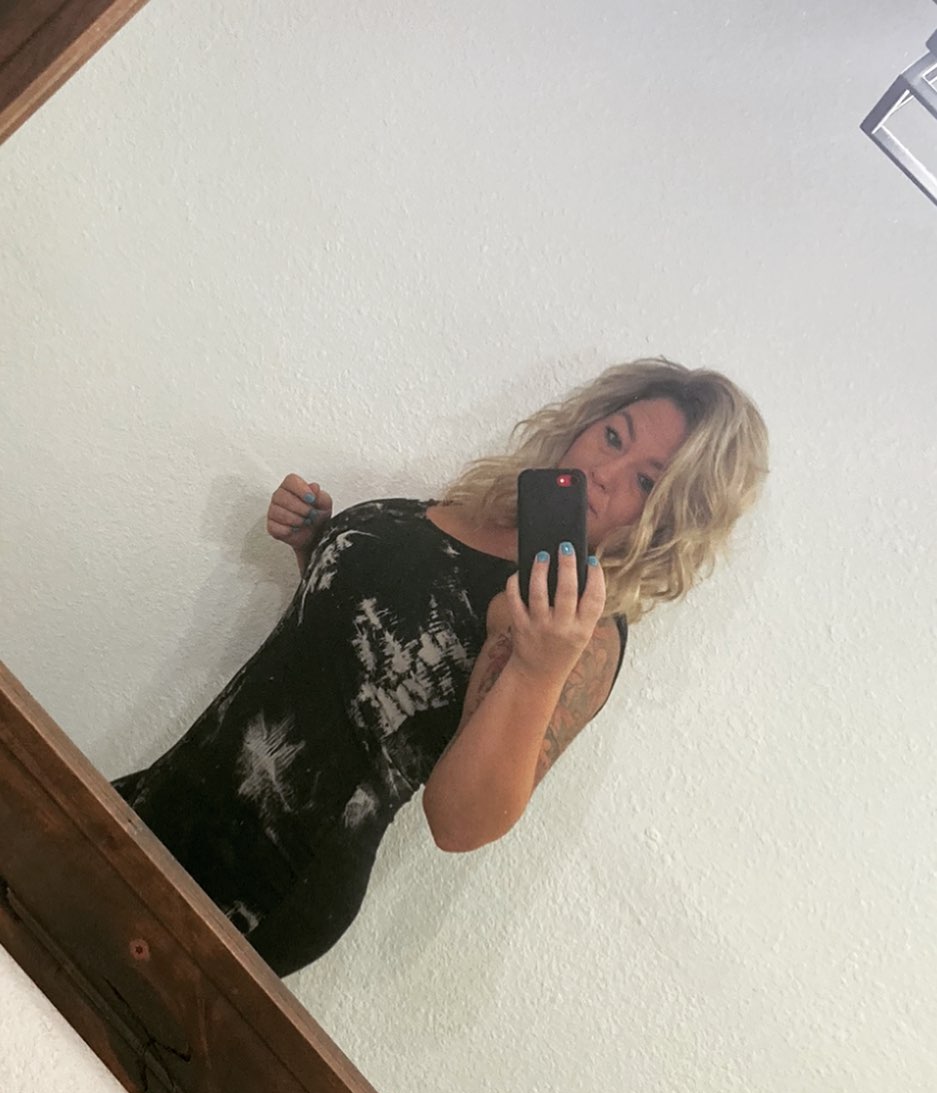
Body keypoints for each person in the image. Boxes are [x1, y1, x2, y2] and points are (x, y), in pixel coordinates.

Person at [113, 358, 768, 977]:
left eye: (646, 481)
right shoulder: (472, 511)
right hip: (175, 792)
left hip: (268, 877)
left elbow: (459, 824)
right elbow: (365, 663)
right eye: (613, 436)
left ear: (669, 520)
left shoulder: (579, 629)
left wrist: (536, 668)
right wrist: (315, 546)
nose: (604, 471)